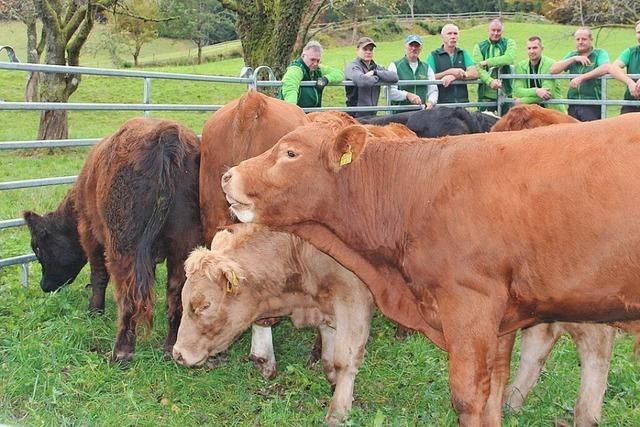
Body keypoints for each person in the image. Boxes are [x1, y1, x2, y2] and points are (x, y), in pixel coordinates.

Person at [550, 27, 610, 121]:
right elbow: (553, 70)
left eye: (584, 39)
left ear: (591, 40)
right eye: (578, 39)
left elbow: (605, 67)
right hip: (573, 103)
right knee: (573, 133)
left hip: (592, 103)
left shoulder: (599, 53)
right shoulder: (572, 54)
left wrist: (582, 78)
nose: (580, 42)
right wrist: (573, 59)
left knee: (590, 133)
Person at [280, 40, 344, 109]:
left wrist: (326, 79)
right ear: (303, 56)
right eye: (312, 59)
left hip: (314, 114)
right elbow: (290, 88)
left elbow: (339, 73)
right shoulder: (296, 69)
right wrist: (293, 110)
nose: (315, 63)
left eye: (318, 60)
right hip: (299, 114)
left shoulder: (318, 69)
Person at [345, 36, 399, 118]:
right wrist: (378, 78)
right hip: (355, 115)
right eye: (365, 49)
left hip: (372, 115)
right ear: (357, 50)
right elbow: (362, 81)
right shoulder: (352, 66)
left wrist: (375, 72)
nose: (368, 52)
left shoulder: (376, 67)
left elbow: (394, 77)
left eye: (371, 49)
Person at [512, 36, 567, 113]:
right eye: (529, 48)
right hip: (531, 113)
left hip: (552, 112)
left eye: (535, 48)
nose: (532, 51)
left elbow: (547, 94)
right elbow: (518, 91)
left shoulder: (550, 64)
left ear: (542, 48)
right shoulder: (520, 66)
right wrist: (536, 91)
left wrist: (522, 101)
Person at [472, 19, 516, 112]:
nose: (496, 33)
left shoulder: (509, 43)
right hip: (486, 95)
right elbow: (479, 68)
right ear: (488, 31)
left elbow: (509, 58)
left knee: (507, 123)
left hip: (505, 92)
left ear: (502, 31)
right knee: (484, 124)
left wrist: (488, 62)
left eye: (498, 30)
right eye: (493, 30)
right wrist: (490, 81)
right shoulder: (479, 46)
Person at [428, 24, 478, 105]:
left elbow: (475, 73)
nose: (453, 36)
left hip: (461, 103)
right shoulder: (433, 55)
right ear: (442, 37)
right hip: (441, 105)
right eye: (449, 33)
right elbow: (429, 77)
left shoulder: (462, 53)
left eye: (455, 33)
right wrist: (450, 72)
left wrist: (455, 76)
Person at [388, 34, 438, 112]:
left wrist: (431, 102)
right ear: (405, 46)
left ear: (421, 48)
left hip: (420, 114)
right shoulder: (394, 66)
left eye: (417, 46)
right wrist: (407, 95)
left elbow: (433, 90)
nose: (414, 48)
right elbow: (389, 91)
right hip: (399, 114)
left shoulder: (427, 67)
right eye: (411, 45)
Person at [609, 20, 640, 114]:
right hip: (632, 103)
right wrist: (630, 83)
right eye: (639, 32)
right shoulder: (631, 52)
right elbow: (613, 68)